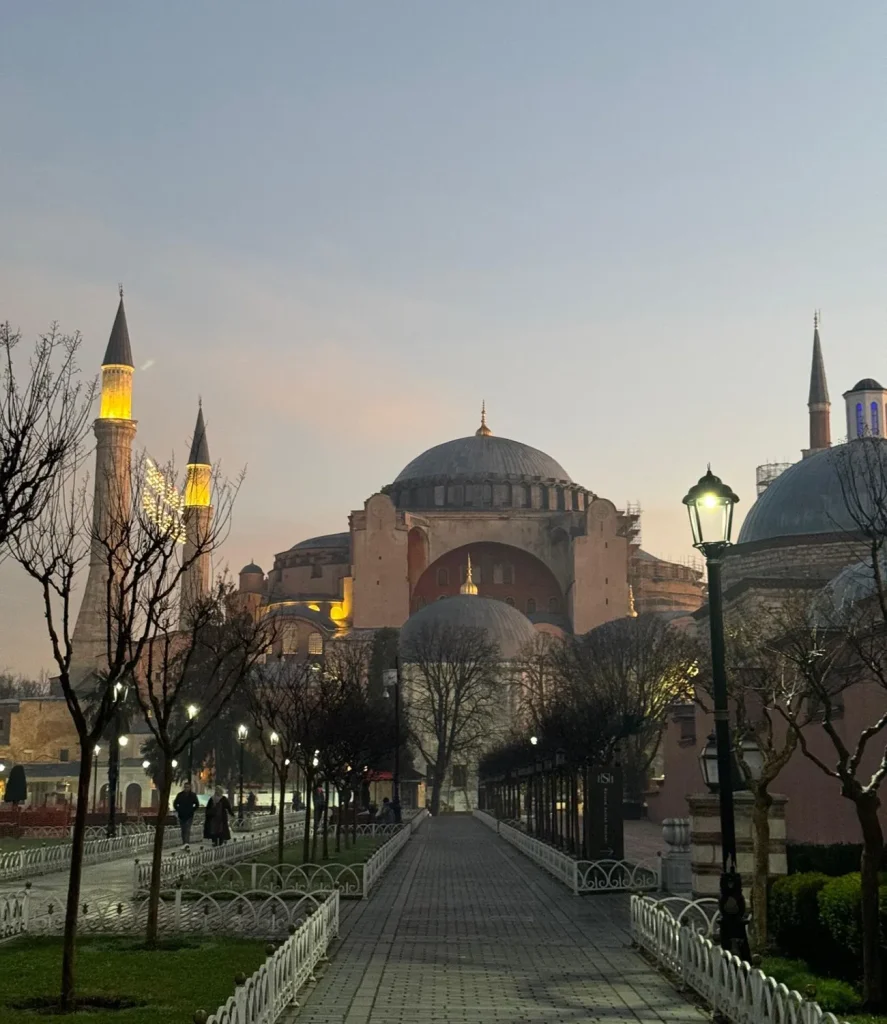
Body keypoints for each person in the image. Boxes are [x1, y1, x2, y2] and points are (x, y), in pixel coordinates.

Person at [172, 781, 199, 845]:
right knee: (183, 829)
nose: (186, 788)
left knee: (187, 829)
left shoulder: (193, 795)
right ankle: (184, 842)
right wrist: (179, 809)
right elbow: (175, 803)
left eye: (188, 787)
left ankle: (186, 843)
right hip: (181, 815)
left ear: (190, 788)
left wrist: (192, 810)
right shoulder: (180, 795)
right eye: (185, 787)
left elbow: (197, 804)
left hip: (189, 815)